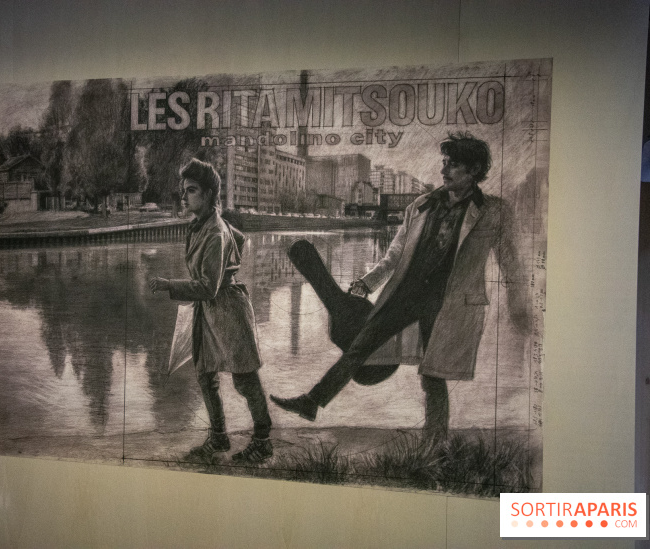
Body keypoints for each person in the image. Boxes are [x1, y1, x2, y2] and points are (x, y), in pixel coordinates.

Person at [270, 131, 529, 442]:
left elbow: (511, 263)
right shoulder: (422, 205)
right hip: (405, 294)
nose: (444, 170)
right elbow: (394, 255)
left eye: (453, 165)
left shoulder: (494, 212)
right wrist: (368, 282)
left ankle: (435, 440)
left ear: (473, 171)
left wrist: (519, 302)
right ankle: (312, 403)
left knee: (432, 374)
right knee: (359, 348)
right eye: (444, 163)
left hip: (449, 303)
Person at [149, 158, 273, 463]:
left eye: (191, 191)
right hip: (210, 312)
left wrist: (169, 284)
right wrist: (229, 265)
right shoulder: (206, 224)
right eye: (184, 190)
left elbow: (207, 286)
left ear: (207, 195)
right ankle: (218, 438)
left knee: (245, 379)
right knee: (205, 375)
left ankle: (263, 440)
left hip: (228, 310)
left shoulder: (215, 232)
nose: (184, 196)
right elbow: (240, 240)